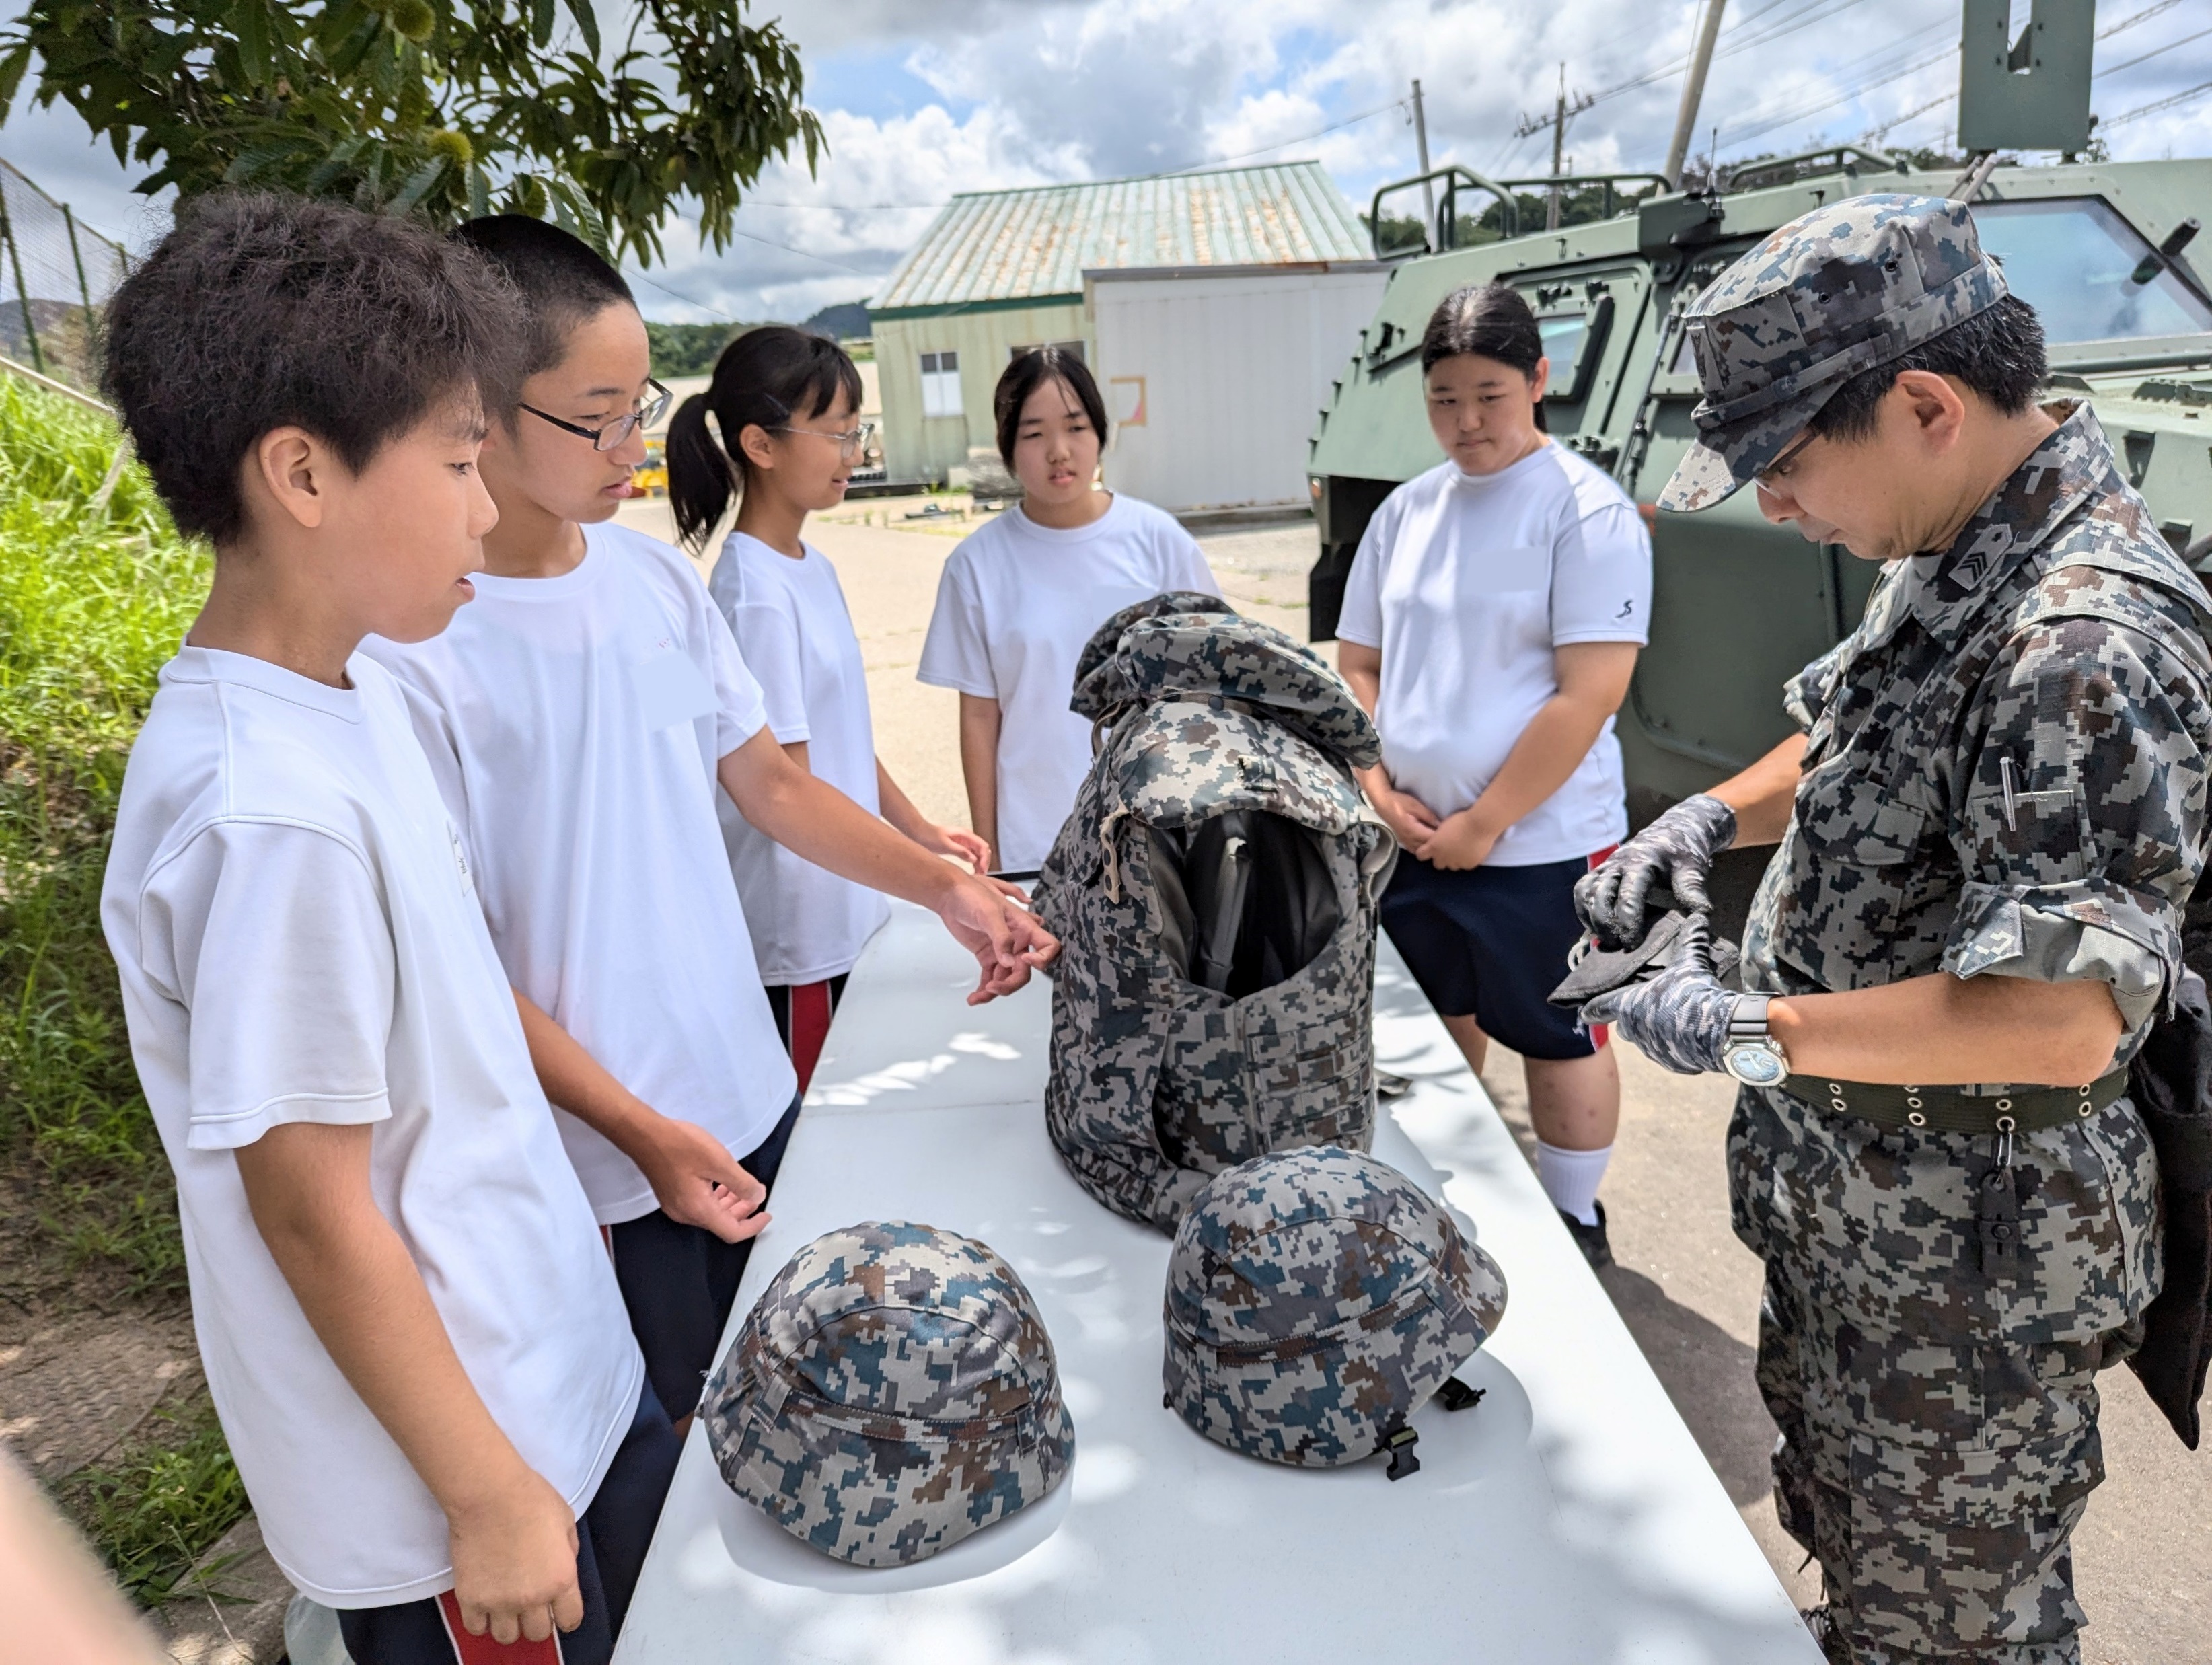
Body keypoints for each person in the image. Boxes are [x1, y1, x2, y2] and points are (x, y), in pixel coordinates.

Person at [1574, 195, 2212, 1665]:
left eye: (1788, 465)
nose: (1775, 504)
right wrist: (1698, 822)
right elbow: (1854, 731)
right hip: (1865, 1225)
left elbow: (2056, 1018)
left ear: (1923, 404)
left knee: (1956, 1622)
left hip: (1964, 1287)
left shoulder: (2083, 640)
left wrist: (1733, 1022)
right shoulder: (1961, 539)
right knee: (1861, 1548)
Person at [360, 218, 1056, 1440]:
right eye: (598, 417)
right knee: (689, 1453)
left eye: (643, 406)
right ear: (473, 407)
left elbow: (771, 786)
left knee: (806, 1410)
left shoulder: (649, 588)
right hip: (607, 1162)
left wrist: (946, 888)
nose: (633, 447)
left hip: (744, 1093)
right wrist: (634, 1131)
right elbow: (450, 959)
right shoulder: (413, 651)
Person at [98, 195, 667, 1664]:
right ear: (302, 471)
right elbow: (309, 1202)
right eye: (463, 459)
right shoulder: (263, 812)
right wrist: (484, 1495)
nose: (486, 506)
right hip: (459, 1499)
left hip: (548, 1384)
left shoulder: (347, 700)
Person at [1335, 283, 1652, 1269]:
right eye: (1443, 397)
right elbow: (1358, 661)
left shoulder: (1585, 512)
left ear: (1539, 380)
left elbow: (1587, 691)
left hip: (1544, 839)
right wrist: (1378, 786)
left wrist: (1487, 821)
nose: (1465, 421)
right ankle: (1450, 1190)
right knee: (1437, 1017)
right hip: (1412, 830)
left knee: (1560, 1033)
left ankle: (1572, 1219)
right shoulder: (1406, 511)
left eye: (1489, 393)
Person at [667, 326, 990, 1088]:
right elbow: (786, 786)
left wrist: (919, 831)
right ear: (761, 444)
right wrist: (940, 884)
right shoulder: (754, 594)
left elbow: (836, 734)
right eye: (837, 434)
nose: (855, 453)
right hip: (802, 928)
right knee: (820, 1138)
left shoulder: (809, 567)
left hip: (846, 901)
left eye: (858, 432)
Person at [918, 347, 1218, 874]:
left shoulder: (1158, 541)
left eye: (1076, 427)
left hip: (1158, 834)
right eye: (1034, 434)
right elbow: (980, 719)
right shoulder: (976, 565)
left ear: (1100, 433)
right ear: (1008, 446)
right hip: (1035, 840)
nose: (1059, 450)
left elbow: (1210, 685)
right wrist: (991, 857)